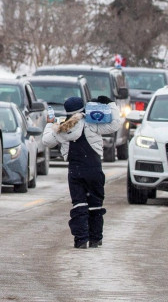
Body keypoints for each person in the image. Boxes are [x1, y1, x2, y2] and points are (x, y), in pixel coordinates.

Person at [42, 95, 122, 249]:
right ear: (83, 110)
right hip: (94, 170)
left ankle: (80, 240)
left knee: (79, 204)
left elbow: (46, 141)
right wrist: (110, 104)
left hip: (75, 172)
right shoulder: (92, 124)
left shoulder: (62, 129)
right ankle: (95, 239)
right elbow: (114, 124)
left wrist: (50, 123)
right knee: (95, 205)